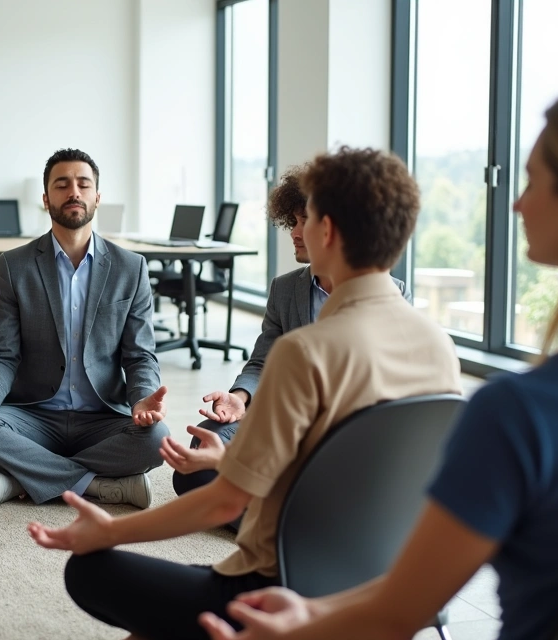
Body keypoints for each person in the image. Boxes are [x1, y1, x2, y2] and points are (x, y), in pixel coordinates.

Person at [196, 83, 558, 640]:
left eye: (532, 181)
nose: (515, 202)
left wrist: (294, 628)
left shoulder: (519, 415)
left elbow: (399, 610)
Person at [28, 146, 462, 640]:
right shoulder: (440, 349)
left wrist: (109, 531)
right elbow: (353, 470)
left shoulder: (307, 352)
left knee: (88, 570)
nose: (298, 227)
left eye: (309, 216)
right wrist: (225, 464)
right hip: (377, 585)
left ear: (329, 230)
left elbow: (223, 507)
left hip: (278, 589)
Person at [165, 165, 411, 519]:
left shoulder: (389, 293)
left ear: (332, 229)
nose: (294, 232)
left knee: (214, 480)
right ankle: (293, 515)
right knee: (204, 445)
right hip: (281, 421)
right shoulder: (285, 289)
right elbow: (263, 361)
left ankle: (272, 512)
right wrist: (239, 398)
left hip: (341, 434)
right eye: (292, 221)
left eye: (303, 221)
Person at [0, 148, 170, 508]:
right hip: (34, 415)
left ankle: (24, 476)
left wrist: (142, 397)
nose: (74, 192)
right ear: (46, 198)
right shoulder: (14, 266)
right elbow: (3, 354)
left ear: (97, 197)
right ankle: (98, 486)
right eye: (62, 184)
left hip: (102, 418)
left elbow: (139, 355)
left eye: (84, 184)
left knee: (157, 438)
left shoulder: (130, 267)